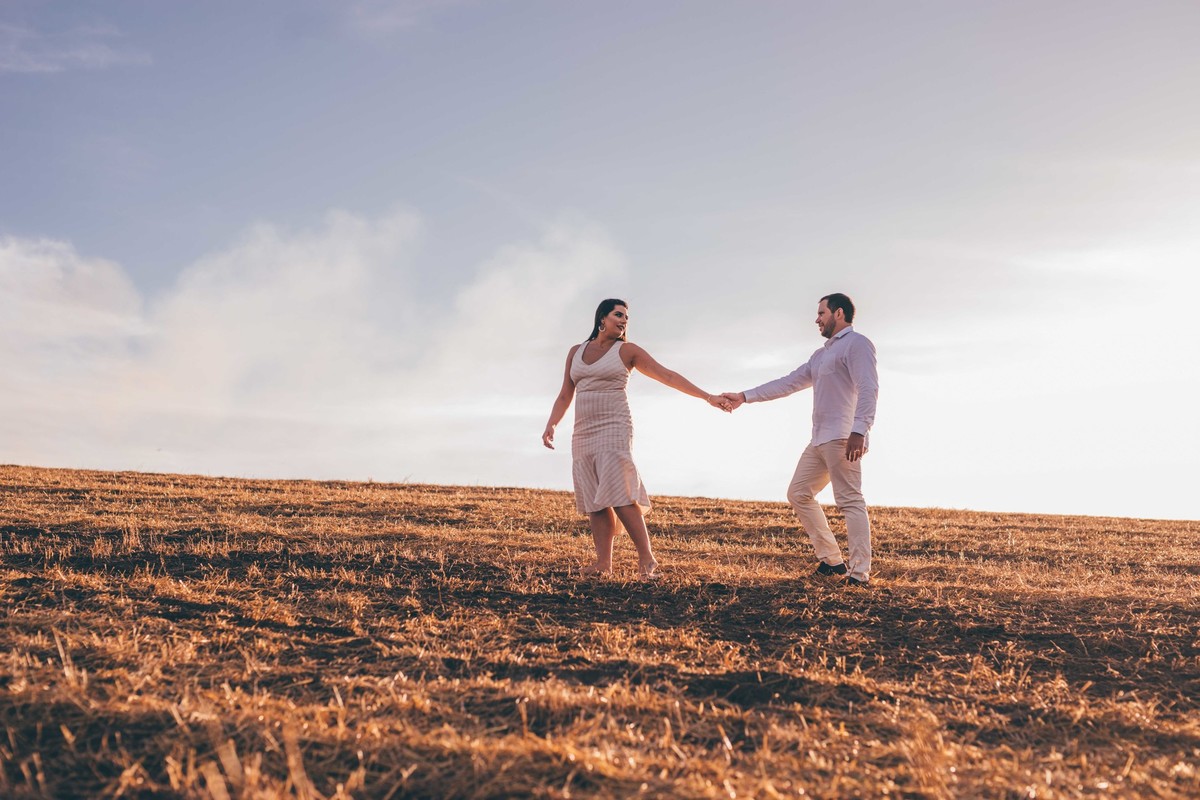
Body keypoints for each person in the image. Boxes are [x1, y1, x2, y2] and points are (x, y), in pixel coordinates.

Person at [543, 299, 730, 579]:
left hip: (614, 426)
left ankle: (647, 559)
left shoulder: (627, 351)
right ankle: (603, 563)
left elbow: (667, 375)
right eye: (618, 315)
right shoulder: (576, 351)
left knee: (619, 491)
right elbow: (564, 394)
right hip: (583, 430)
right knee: (594, 497)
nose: (623, 321)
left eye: (626, 318)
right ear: (602, 318)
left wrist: (708, 397)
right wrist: (552, 424)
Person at [722, 293, 879, 587]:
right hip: (819, 440)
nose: (816, 319)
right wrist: (744, 396)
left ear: (839, 313)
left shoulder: (857, 344)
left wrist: (860, 430)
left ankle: (859, 573)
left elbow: (868, 387)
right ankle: (832, 561)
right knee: (798, 493)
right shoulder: (820, 355)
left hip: (843, 437)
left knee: (850, 501)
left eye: (821, 313)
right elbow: (789, 382)